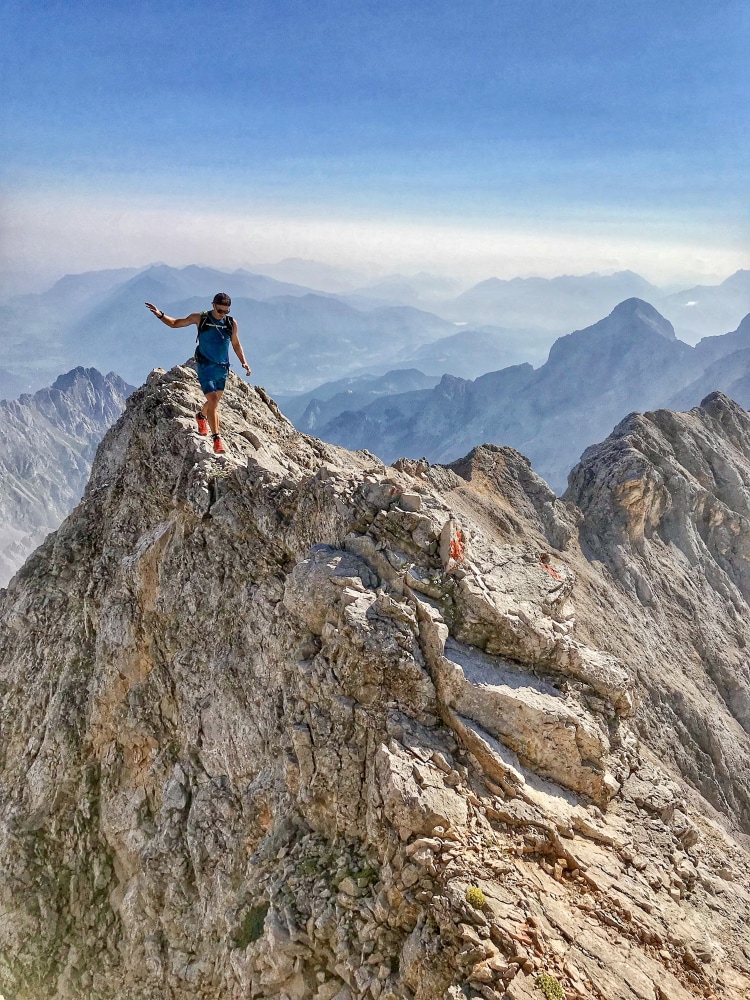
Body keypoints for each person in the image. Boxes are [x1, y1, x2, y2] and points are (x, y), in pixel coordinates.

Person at [145, 293, 251, 453]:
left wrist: (244, 362)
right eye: (220, 310)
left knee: (213, 403)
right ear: (213, 305)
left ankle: (201, 416)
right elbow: (175, 323)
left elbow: (236, 344)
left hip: (222, 368)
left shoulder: (231, 323)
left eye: (226, 311)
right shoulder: (200, 318)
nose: (223, 314)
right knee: (214, 401)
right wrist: (160, 314)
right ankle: (217, 439)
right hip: (205, 366)